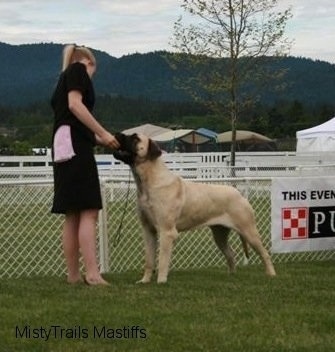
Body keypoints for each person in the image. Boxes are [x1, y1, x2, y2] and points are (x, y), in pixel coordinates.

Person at [51, 44, 119, 286]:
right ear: (89, 63)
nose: (91, 78)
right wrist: (103, 131)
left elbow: (73, 119)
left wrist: (107, 140)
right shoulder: (78, 70)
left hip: (63, 147)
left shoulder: (62, 79)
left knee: (72, 212)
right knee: (89, 210)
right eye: (94, 72)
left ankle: (73, 275)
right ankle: (92, 273)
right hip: (75, 148)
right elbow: (75, 106)